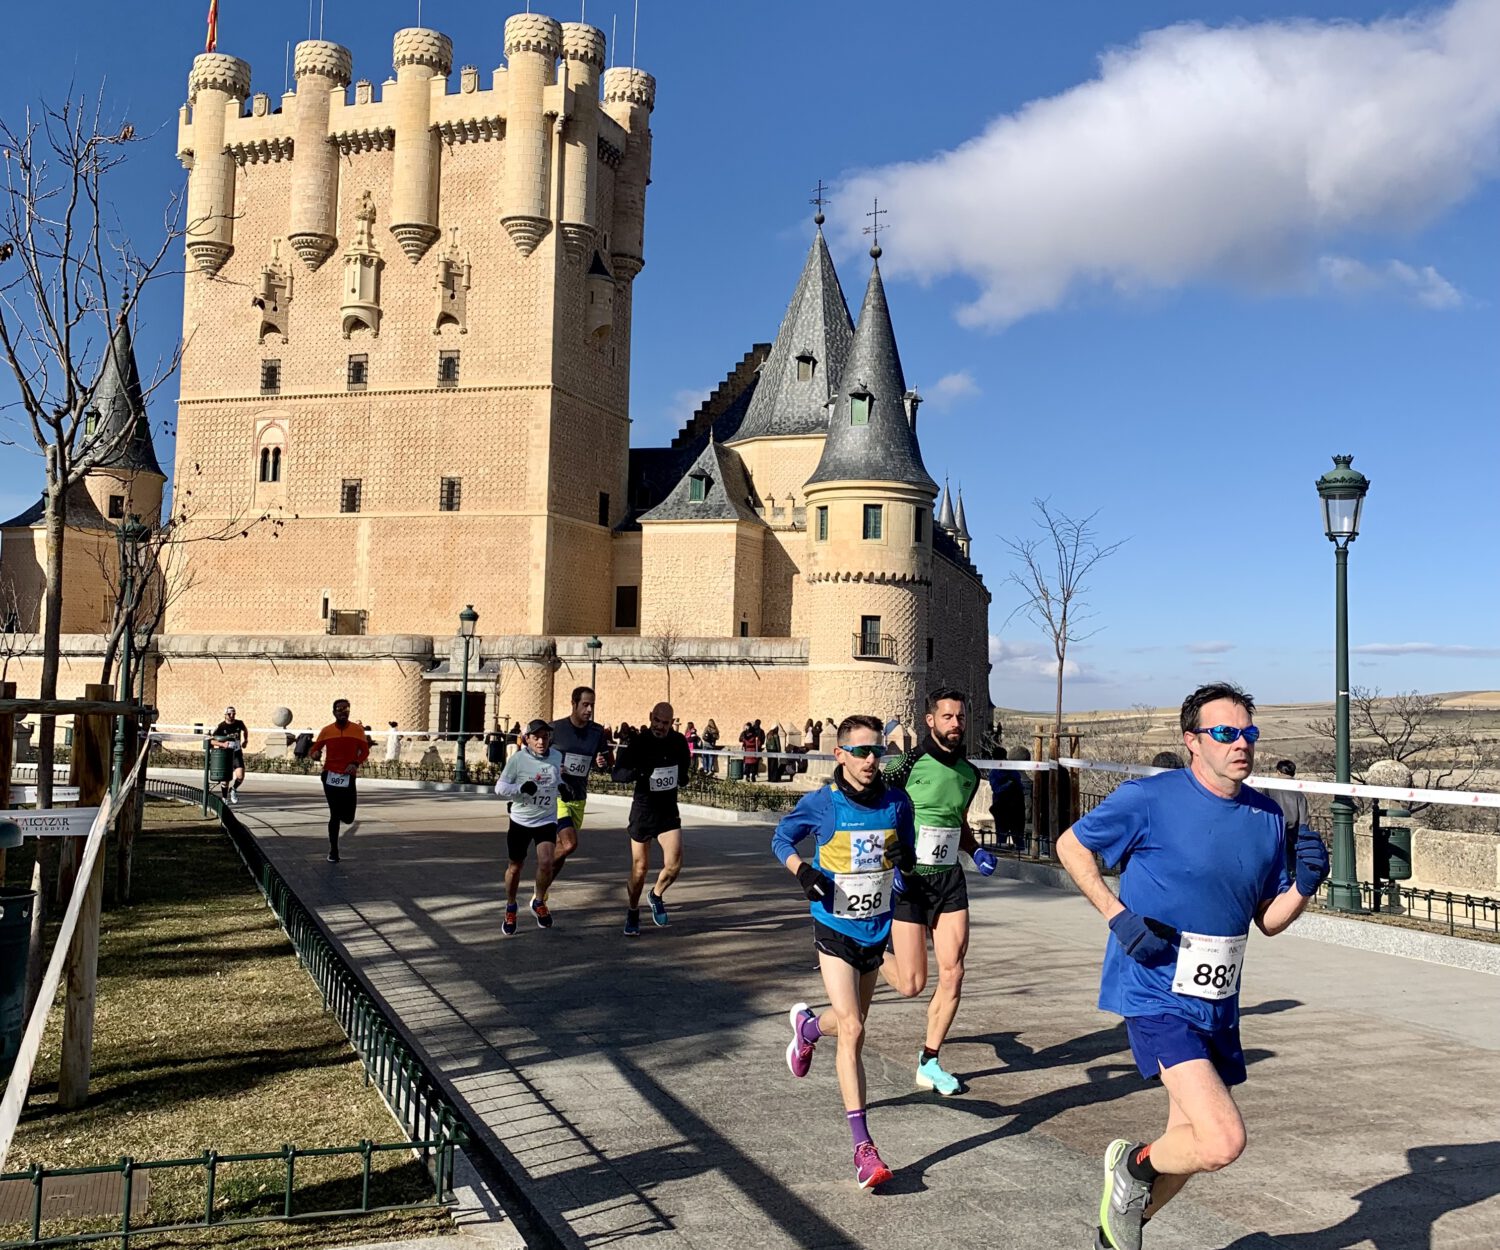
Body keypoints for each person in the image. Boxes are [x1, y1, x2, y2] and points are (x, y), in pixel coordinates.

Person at [1055, 682, 1328, 1250]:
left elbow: (1269, 920)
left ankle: (1117, 1233)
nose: (1240, 744)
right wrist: (1117, 915)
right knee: (1223, 1140)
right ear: (1192, 741)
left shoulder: (1266, 816)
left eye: (1248, 733)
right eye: (1224, 733)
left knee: (1190, 1140)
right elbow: (1070, 846)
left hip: (1217, 1000)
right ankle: (1131, 1166)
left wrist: (1305, 885)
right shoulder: (1149, 799)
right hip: (1154, 988)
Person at [773, 714, 917, 1191]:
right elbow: (780, 838)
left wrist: (905, 867)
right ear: (840, 754)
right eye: (861, 751)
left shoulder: (897, 802)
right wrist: (802, 872)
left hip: (875, 929)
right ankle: (863, 1149)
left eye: (877, 750)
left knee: (847, 1021)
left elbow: (907, 855)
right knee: (853, 1028)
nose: (871, 759)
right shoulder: (823, 803)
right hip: (834, 925)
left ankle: (808, 1028)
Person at [879, 687, 997, 1096]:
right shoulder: (906, 764)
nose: (955, 724)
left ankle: (929, 1061)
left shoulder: (969, 774)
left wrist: (975, 850)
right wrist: (890, 853)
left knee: (954, 972)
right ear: (930, 720)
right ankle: (869, 951)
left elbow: (957, 822)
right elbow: (876, 807)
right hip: (909, 880)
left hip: (948, 881)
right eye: (947, 717)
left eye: (960, 717)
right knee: (911, 984)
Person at [612, 702, 691, 935]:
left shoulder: (678, 742)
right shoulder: (639, 742)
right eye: (657, 721)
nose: (660, 726)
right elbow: (618, 774)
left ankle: (656, 895)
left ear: (672, 723)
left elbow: (684, 770)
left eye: (665, 723)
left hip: (667, 812)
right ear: (650, 717)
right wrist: (640, 771)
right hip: (643, 811)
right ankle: (633, 910)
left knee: (674, 865)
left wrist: (682, 777)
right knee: (640, 868)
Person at [493, 719, 564, 934]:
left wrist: (563, 789)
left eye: (545, 737)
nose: (541, 742)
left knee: (546, 863)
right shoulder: (518, 759)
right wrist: (521, 788)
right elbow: (500, 788)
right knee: (515, 867)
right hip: (521, 821)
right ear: (527, 740)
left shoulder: (556, 756)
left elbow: (555, 781)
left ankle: (539, 901)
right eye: (536, 737)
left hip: (546, 818)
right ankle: (511, 906)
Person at [549, 686, 614, 899]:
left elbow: (605, 761)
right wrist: (552, 767)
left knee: (562, 849)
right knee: (570, 844)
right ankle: (542, 872)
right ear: (573, 703)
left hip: (579, 797)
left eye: (592, 705)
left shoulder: (597, 732)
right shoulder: (555, 729)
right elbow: (536, 756)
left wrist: (601, 763)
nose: (589, 710)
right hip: (557, 795)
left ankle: (541, 892)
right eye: (585, 705)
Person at [310, 698, 370, 862]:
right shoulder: (327, 730)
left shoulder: (357, 730)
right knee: (334, 814)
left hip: (348, 776)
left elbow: (365, 751)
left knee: (349, 817)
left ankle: (342, 818)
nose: (343, 712)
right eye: (340, 709)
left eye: (346, 709)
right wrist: (315, 754)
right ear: (334, 712)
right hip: (330, 775)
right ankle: (333, 851)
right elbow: (314, 750)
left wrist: (355, 763)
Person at [1271, 760, 1310, 882]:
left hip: (1273, 831)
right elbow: (1304, 820)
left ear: (1278, 772)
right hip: (1293, 834)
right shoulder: (1299, 793)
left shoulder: (1270, 788)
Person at [987, 748, 1027, 852]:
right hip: (1008, 807)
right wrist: (1009, 783)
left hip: (1010, 807)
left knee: (1010, 836)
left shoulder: (996, 771)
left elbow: (996, 789)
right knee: (1010, 836)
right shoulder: (1009, 770)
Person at [211, 705, 249, 805]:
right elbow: (211, 740)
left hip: (236, 753)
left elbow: (245, 730)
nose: (232, 716)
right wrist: (222, 744)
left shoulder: (239, 723)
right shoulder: (221, 726)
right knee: (225, 780)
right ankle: (224, 798)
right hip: (225, 755)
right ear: (225, 715)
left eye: (233, 714)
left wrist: (245, 741)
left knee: (240, 776)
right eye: (229, 714)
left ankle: (233, 789)